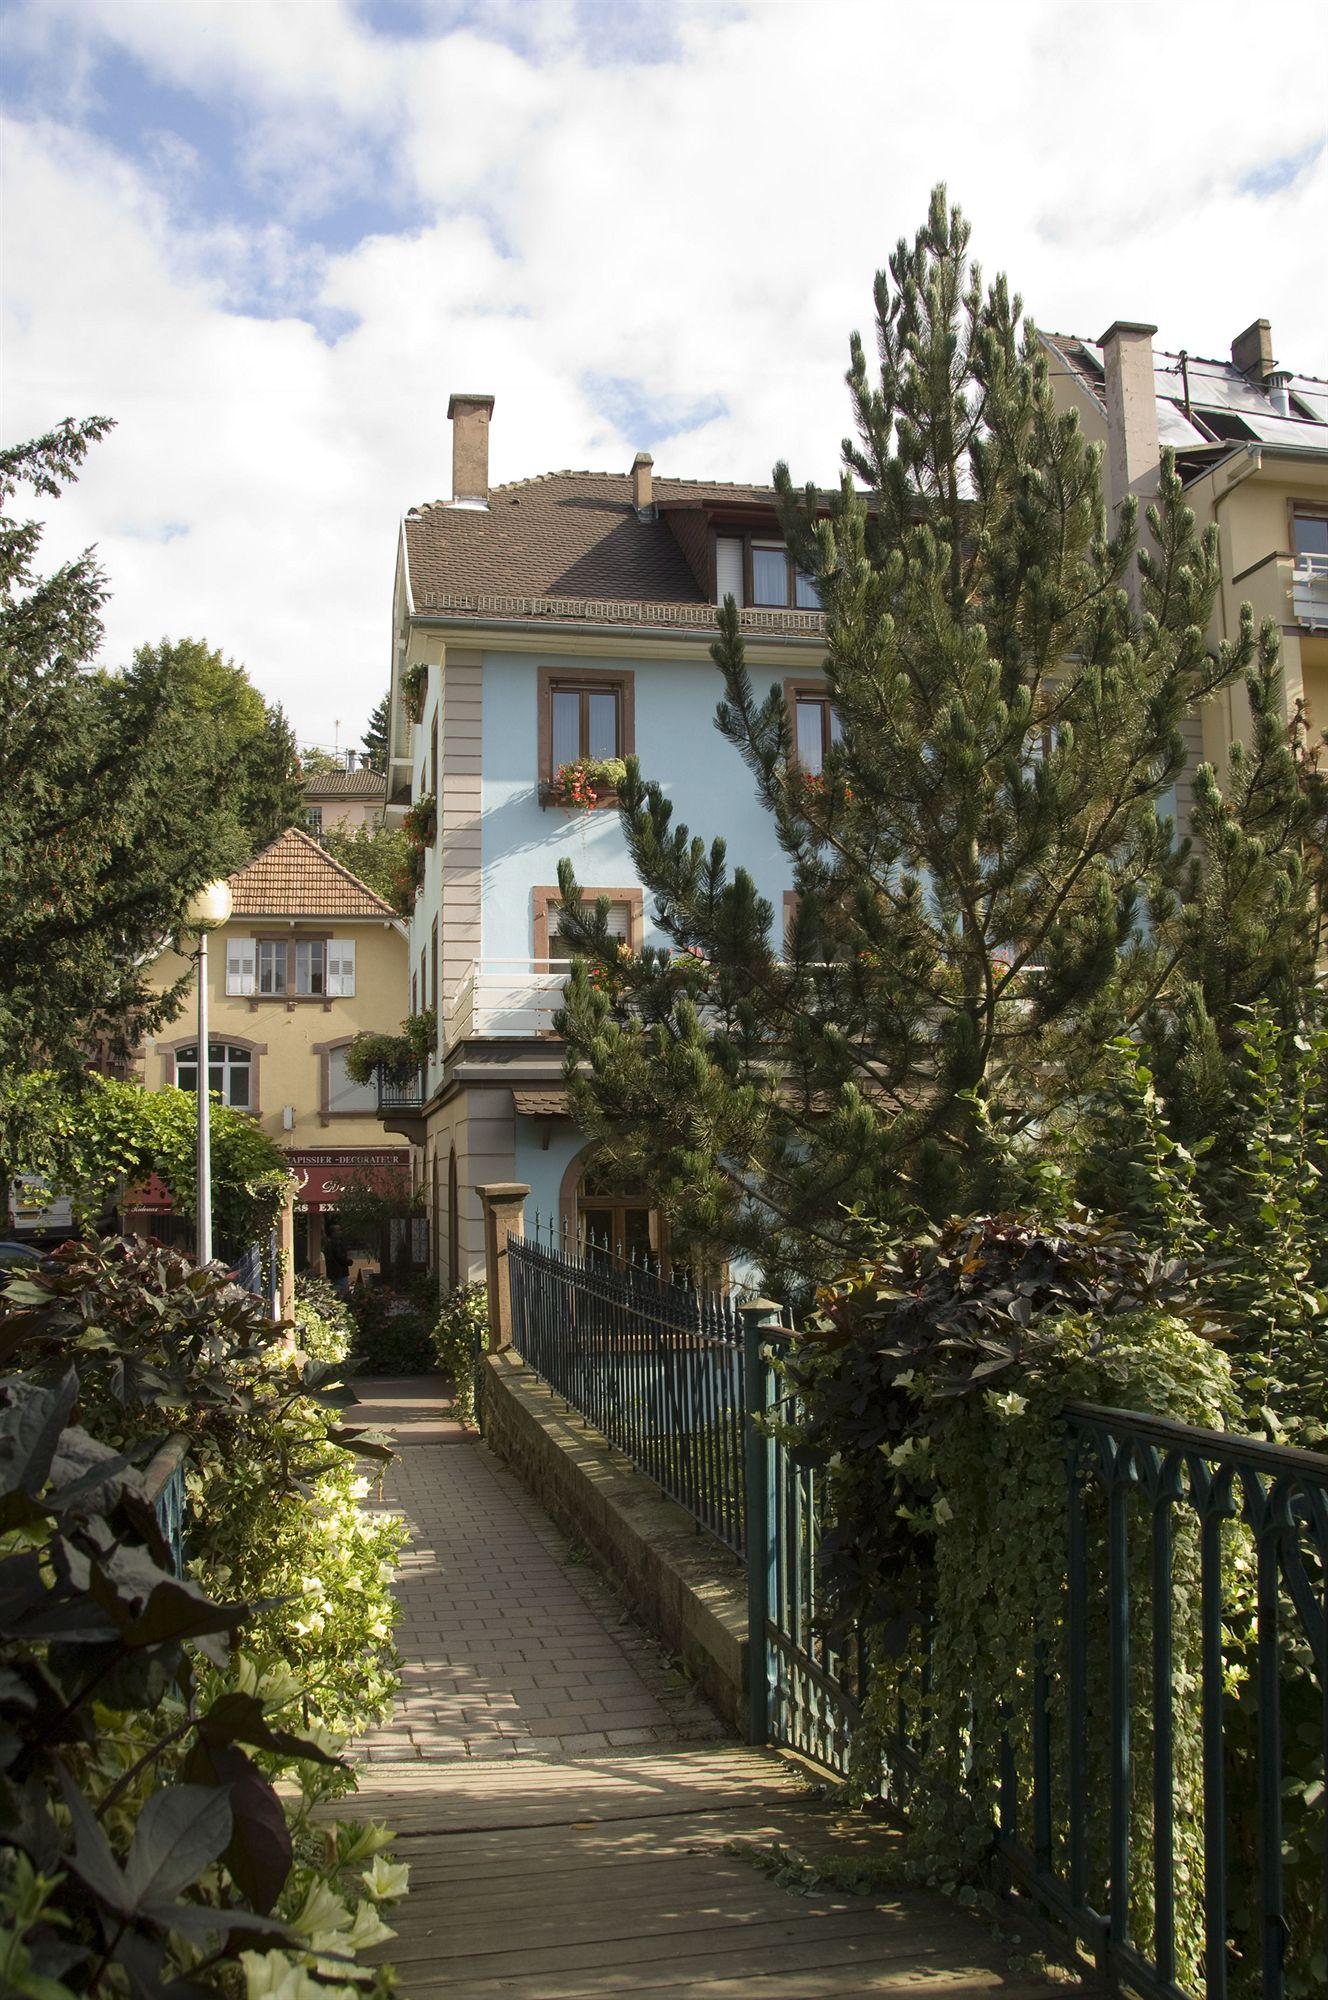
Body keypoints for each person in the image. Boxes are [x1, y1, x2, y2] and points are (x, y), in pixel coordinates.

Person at [322, 1216, 352, 1295]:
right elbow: (339, 1257)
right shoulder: (335, 1244)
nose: (340, 1232)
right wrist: (349, 1262)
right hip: (340, 1273)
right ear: (332, 1233)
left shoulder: (329, 1244)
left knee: (336, 1293)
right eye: (338, 1231)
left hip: (334, 1274)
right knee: (343, 1294)